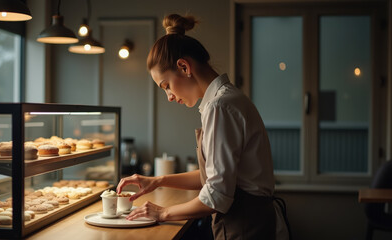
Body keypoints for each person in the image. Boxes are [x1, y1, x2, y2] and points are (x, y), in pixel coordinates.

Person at [116, 13, 289, 240]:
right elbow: (215, 176)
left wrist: (163, 212)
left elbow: (216, 195)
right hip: (253, 223)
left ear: (184, 67)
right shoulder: (225, 99)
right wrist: (158, 181)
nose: (168, 96)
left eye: (166, 85)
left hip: (246, 228)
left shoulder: (220, 107)